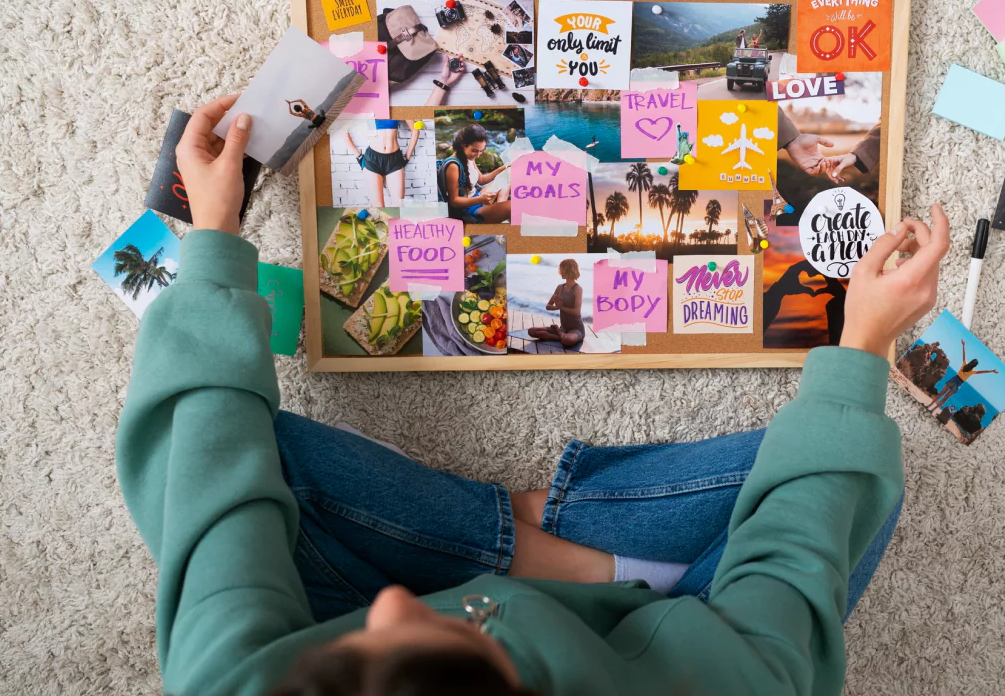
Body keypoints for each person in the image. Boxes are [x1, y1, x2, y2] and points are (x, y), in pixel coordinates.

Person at [120, 91, 949, 696]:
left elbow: (207, 474)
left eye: (353, 655)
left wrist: (216, 234)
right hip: (665, 652)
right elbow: (790, 594)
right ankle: (617, 571)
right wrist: (865, 340)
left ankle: (553, 547)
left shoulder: (234, 682)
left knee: (246, 457)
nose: (395, 606)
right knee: (855, 477)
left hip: (366, 591)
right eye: (438, 635)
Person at [437, 123, 511, 223]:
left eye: (481, 151)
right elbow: (454, 201)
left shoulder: (470, 157)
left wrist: (505, 167)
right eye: (475, 150)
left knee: (506, 179)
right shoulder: (453, 166)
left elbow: (481, 180)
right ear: (463, 144)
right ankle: (498, 212)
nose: (478, 155)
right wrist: (481, 199)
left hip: (476, 196)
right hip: (468, 210)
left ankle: (499, 209)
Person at [342, 120, 421, 207]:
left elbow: (415, 130)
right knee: (379, 207)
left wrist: (407, 157)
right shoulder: (369, 107)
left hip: (394, 160)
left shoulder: (397, 107)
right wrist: (358, 156)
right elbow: (343, 127)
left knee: (399, 206)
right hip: (373, 160)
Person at [526, 259, 585, 349]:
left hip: (576, 329)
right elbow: (548, 306)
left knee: (568, 340)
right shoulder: (559, 287)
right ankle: (561, 335)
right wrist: (557, 307)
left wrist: (561, 307)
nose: (560, 272)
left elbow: (577, 312)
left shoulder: (577, 289)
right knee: (531, 331)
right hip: (563, 329)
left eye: (562, 269)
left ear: (569, 270)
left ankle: (558, 331)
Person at [926, 339, 999, 412]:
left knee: (941, 393)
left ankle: (929, 405)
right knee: (945, 398)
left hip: (954, 379)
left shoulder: (964, 364)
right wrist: (991, 371)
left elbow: (964, 355)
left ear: (971, 362)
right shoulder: (972, 371)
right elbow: (982, 372)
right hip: (958, 384)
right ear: (975, 366)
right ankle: (933, 410)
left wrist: (963, 345)